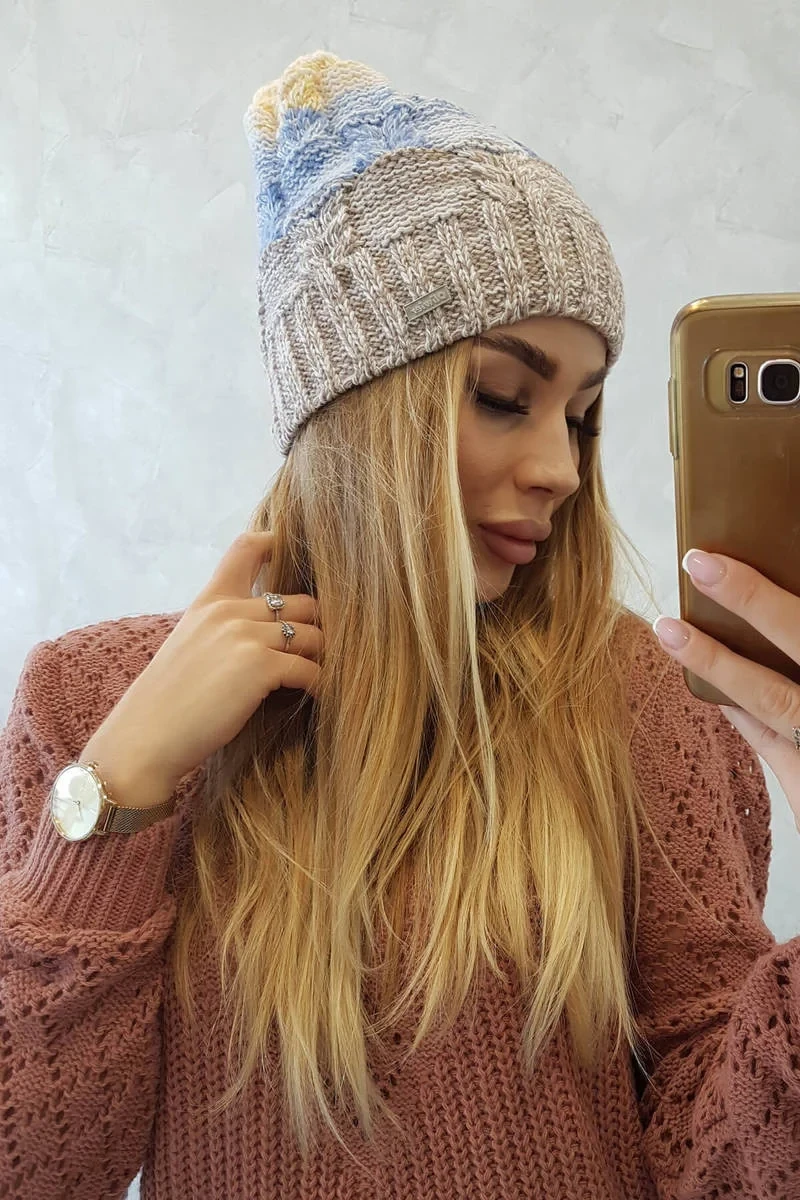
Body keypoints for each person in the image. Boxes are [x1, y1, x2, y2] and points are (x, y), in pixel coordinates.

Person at [2, 48, 800, 1200]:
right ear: (351, 406)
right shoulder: (89, 703)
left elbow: (724, 1163)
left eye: (580, 417)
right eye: (501, 397)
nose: (560, 470)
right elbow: (41, 1168)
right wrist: (117, 791)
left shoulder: (627, 695)